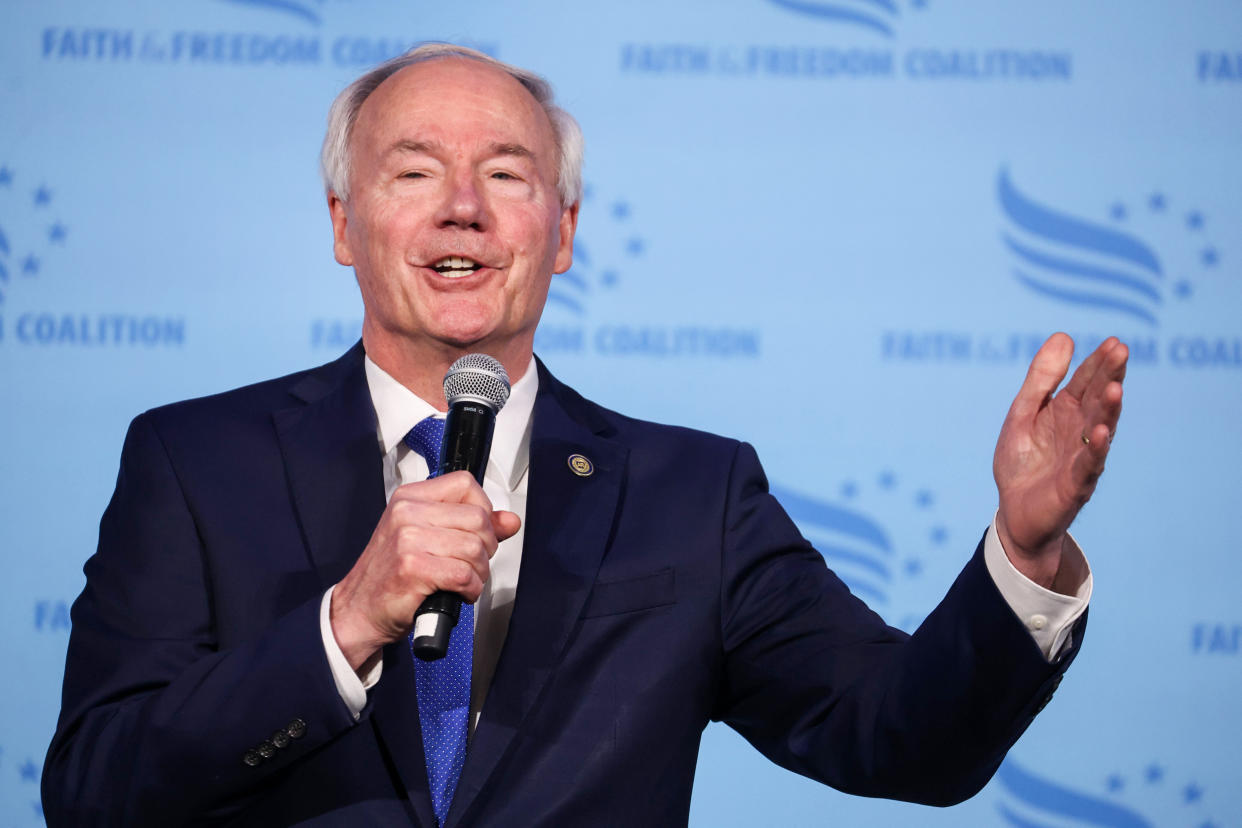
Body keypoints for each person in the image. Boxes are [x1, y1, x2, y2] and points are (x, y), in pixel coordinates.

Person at [43, 44, 1128, 827]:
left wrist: (1023, 558)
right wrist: (345, 624)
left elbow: (907, 740)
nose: (463, 207)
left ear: (561, 235)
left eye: (508, 175)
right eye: (415, 172)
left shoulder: (691, 496)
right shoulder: (194, 463)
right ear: (342, 224)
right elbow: (95, 789)